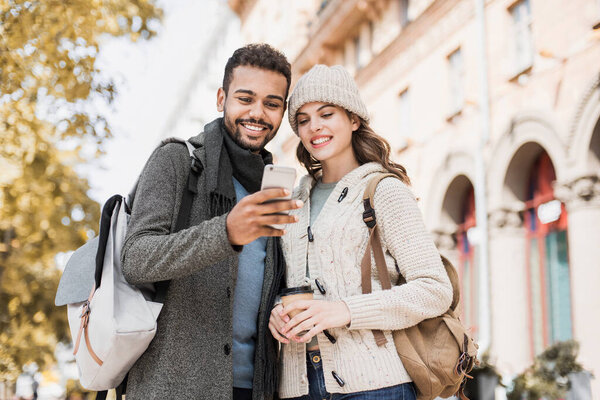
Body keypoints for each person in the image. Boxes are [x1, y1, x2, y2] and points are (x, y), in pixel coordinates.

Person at [121, 44, 302, 400]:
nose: (257, 113)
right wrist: (226, 233)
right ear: (222, 99)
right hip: (172, 387)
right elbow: (135, 259)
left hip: (255, 387)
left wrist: (282, 305)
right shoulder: (176, 161)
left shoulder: (276, 187)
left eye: (271, 103)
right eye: (245, 98)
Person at [268, 64, 454, 400]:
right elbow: (285, 282)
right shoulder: (292, 200)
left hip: (376, 385)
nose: (315, 127)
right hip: (297, 387)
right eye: (304, 120)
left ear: (353, 119)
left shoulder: (383, 190)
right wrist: (276, 314)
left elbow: (435, 289)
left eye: (327, 114)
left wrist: (346, 310)